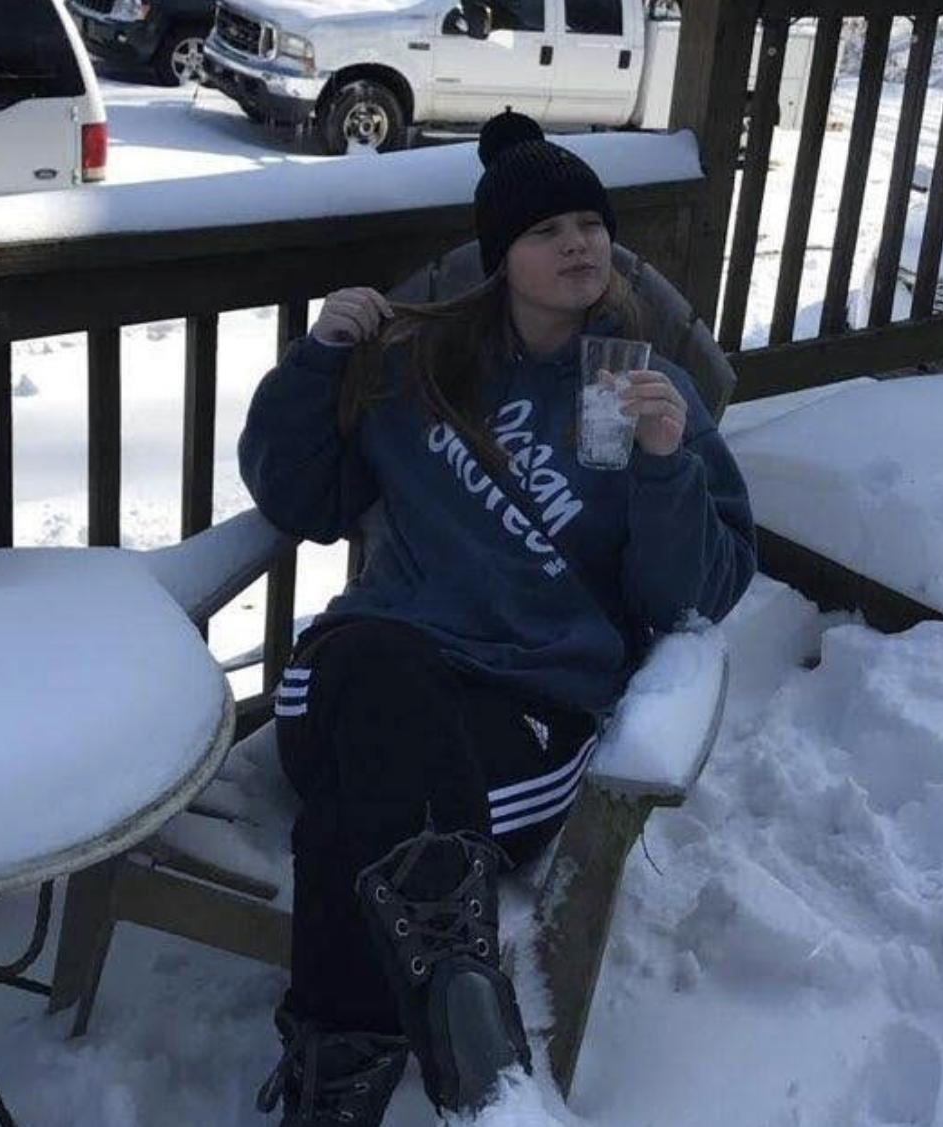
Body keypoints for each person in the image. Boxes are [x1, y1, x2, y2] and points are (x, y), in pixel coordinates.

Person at [239, 109, 756, 1126]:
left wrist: (664, 466)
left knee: (366, 808)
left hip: (520, 715)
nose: (577, 244)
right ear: (497, 259)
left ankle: (337, 1083)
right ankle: (462, 1016)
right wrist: (318, 359)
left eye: (588, 224)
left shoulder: (645, 387)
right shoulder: (419, 367)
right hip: (361, 671)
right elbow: (298, 493)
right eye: (544, 229)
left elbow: (685, 598)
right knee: (380, 674)